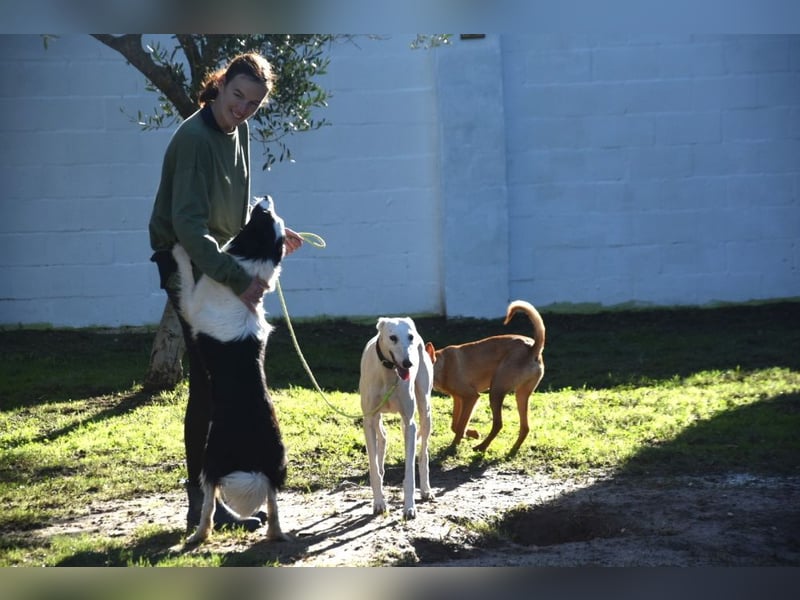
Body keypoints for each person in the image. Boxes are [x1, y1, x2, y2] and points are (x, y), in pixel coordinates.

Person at [148, 51, 303, 532]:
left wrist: (277, 235)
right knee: (209, 383)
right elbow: (188, 229)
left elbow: (234, 217)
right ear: (219, 85)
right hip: (188, 262)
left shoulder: (242, 132)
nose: (243, 108)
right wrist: (241, 281)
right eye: (237, 95)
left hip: (222, 261)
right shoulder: (194, 139)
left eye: (253, 103)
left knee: (234, 388)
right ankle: (201, 505)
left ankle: (229, 498)